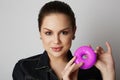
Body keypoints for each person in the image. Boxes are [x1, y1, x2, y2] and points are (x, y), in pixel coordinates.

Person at [12, 1, 115, 80]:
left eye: (64, 32)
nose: (56, 41)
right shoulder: (23, 68)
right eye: (48, 33)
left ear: (74, 32)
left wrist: (108, 73)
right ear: (40, 33)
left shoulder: (91, 71)